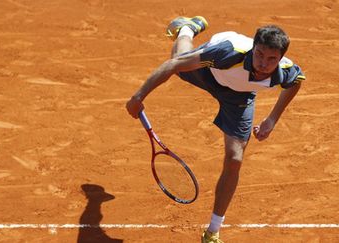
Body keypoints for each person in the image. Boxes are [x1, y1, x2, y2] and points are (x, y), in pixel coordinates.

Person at [125, 16, 305, 243]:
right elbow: (173, 66)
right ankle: (187, 29)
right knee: (179, 58)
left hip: (238, 96)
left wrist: (272, 119)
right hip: (209, 72)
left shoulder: (285, 71)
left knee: (235, 159)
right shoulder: (227, 53)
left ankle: (212, 232)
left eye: (271, 59)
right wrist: (139, 96)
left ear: (279, 59)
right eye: (259, 54)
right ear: (253, 48)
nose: (263, 62)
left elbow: (296, 82)